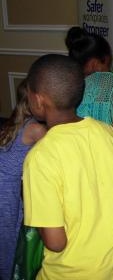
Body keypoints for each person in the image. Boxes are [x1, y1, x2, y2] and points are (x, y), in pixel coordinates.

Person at [22, 54, 113, 279]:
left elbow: (56, 243)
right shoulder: (106, 131)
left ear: (38, 100)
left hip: (72, 272)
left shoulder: (40, 157)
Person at [0, 79, 46, 280]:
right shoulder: (35, 128)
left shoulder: (11, 122)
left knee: (5, 237)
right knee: (11, 239)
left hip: (4, 186)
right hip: (10, 191)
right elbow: (56, 149)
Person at [65, 26, 113, 155]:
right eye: (107, 64)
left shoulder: (63, 80)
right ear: (94, 63)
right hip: (102, 155)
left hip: (72, 153)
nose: (109, 70)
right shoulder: (106, 81)